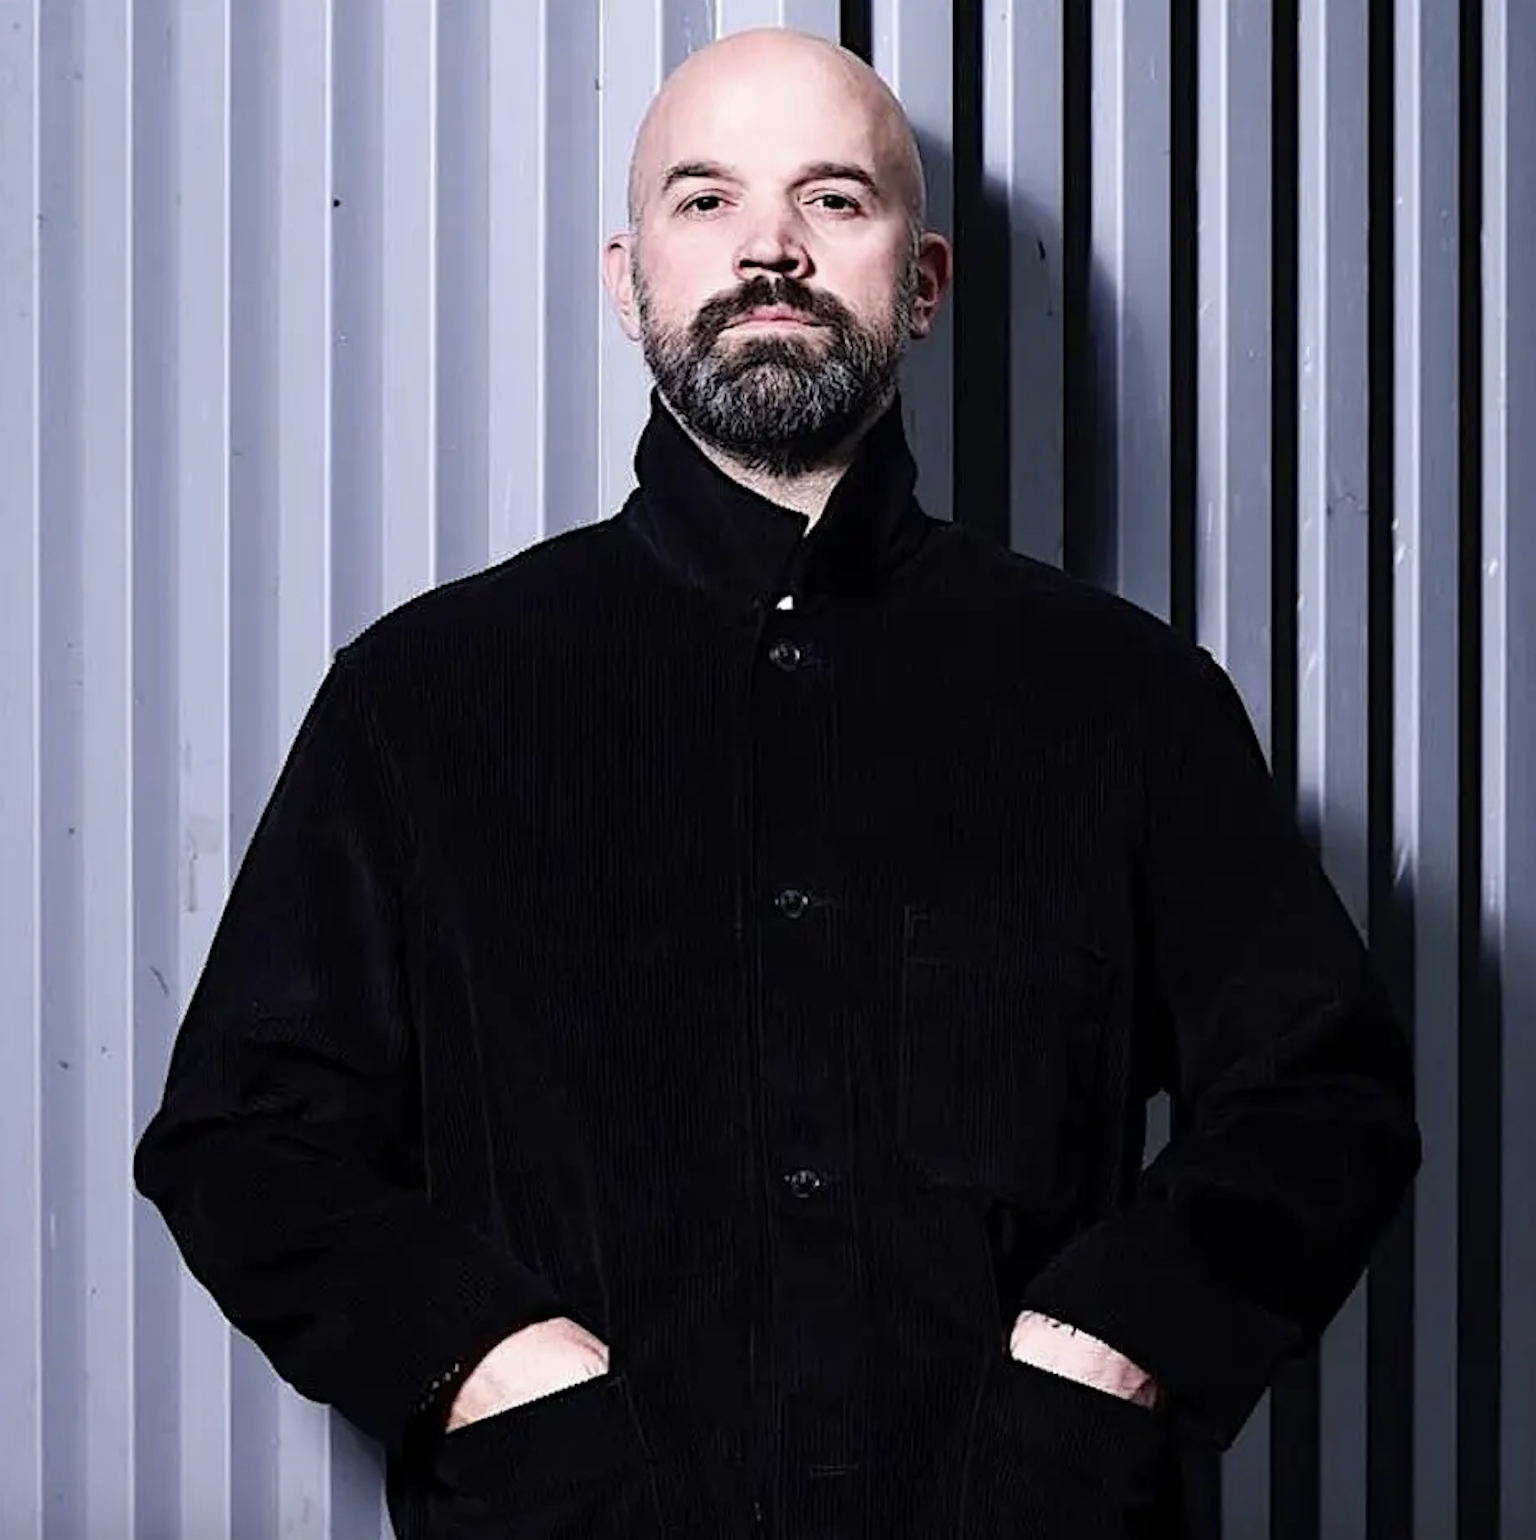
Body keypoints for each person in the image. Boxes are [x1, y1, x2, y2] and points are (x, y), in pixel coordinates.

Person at [134, 26, 1422, 1540]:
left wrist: (1111, 1350)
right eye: (706, 200)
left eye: (832, 199)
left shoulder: (1127, 698)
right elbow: (246, 1133)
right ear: (627, 281)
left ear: (923, 283)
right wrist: (489, 1363)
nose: (769, 249)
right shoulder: (422, 698)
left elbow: (1319, 1096)